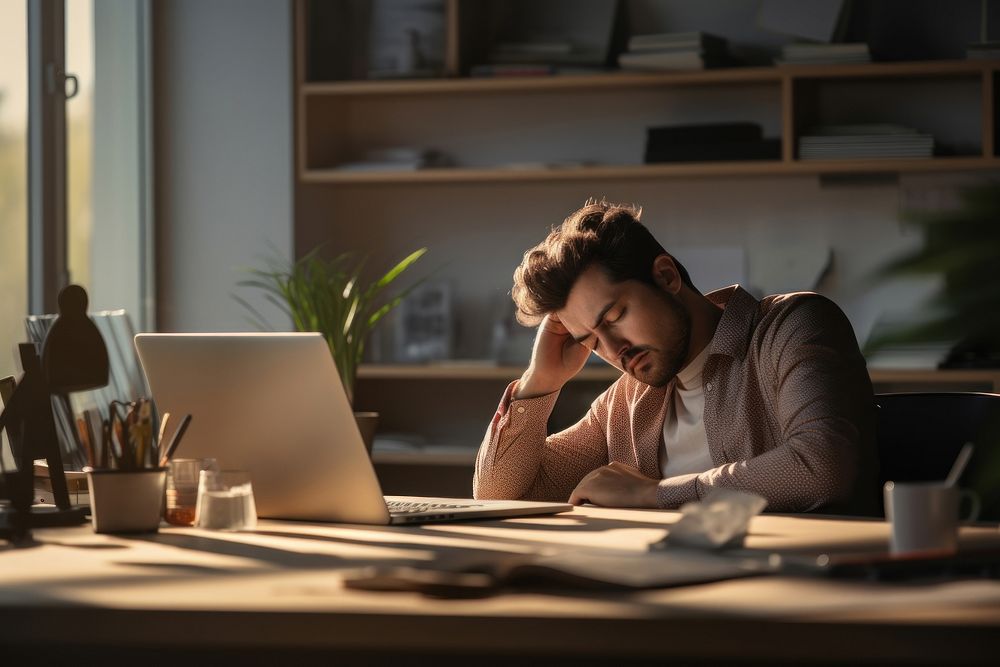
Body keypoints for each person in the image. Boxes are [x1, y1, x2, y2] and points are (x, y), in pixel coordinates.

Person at [473, 200, 877, 514]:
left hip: (801, 594)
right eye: (591, 341)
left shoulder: (791, 326)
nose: (614, 352)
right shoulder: (624, 402)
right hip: (671, 593)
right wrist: (539, 382)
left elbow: (821, 468)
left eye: (614, 317)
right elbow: (501, 495)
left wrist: (653, 494)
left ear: (666, 276)